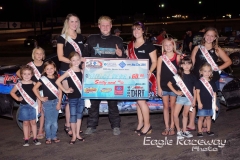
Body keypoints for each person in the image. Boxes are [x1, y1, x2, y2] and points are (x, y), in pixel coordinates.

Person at [83, 15, 126, 136]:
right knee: (94, 104)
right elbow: (84, 58)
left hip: (112, 78)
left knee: (113, 104)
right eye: (103, 25)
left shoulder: (118, 40)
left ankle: (116, 126)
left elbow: (123, 62)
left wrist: (120, 55)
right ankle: (91, 126)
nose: (106, 27)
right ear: (99, 26)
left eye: (108, 25)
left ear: (111, 26)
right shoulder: (91, 39)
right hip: (94, 77)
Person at [189, 26, 232, 131]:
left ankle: (204, 123)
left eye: (212, 36)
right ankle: (193, 122)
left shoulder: (217, 49)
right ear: (204, 36)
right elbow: (192, 64)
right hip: (198, 79)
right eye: (207, 35)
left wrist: (217, 68)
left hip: (212, 79)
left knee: (209, 99)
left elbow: (229, 61)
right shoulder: (197, 48)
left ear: (215, 38)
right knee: (196, 99)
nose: (209, 37)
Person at [126, 21, 157, 136]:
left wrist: (149, 71)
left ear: (143, 31)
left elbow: (154, 62)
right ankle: (140, 124)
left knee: (141, 101)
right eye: (134, 29)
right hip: (133, 78)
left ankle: (148, 125)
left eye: (138, 29)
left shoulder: (148, 45)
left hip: (144, 78)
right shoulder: (130, 45)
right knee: (138, 102)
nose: (136, 31)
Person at [57, 13, 85, 137]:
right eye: (72, 21)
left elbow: (81, 55)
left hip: (78, 71)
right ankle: (68, 124)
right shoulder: (62, 38)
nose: (74, 24)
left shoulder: (80, 37)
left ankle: (74, 126)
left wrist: (81, 63)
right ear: (67, 23)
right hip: (66, 71)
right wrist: (73, 63)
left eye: (76, 21)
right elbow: (60, 57)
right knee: (70, 98)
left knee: (76, 98)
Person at [16, 47, 45, 140]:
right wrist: (25, 80)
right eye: (37, 53)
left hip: (43, 90)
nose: (39, 55)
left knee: (41, 110)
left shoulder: (45, 65)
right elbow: (18, 72)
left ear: (43, 55)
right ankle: (32, 130)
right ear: (33, 55)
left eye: (41, 53)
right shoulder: (29, 65)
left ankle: (40, 130)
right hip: (33, 91)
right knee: (33, 110)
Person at [56, 51, 84, 144]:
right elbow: (58, 81)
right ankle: (74, 136)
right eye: (73, 60)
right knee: (73, 116)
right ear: (70, 61)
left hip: (81, 97)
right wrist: (65, 90)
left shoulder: (82, 71)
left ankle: (78, 134)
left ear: (80, 60)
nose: (76, 62)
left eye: (77, 60)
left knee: (79, 116)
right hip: (72, 97)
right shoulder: (69, 72)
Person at [10, 65, 41, 146]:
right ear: (21, 75)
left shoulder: (34, 83)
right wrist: (17, 98)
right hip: (24, 106)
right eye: (24, 74)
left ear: (32, 75)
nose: (26, 76)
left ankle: (35, 138)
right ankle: (26, 139)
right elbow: (12, 92)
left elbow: (38, 96)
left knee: (33, 122)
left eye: (28, 74)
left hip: (33, 106)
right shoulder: (19, 84)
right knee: (26, 123)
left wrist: (39, 106)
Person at [167, 55, 197, 139]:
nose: (187, 66)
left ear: (191, 65)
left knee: (185, 115)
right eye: (184, 64)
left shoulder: (193, 76)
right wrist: (176, 91)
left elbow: (195, 89)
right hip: (180, 98)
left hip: (189, 99)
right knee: (175, 114)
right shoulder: (178, 76)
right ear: (181, 65)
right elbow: (169, 84)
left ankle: (184, 131)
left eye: (188, 64)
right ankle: (179, 131)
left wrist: (194, 100)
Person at [32, 61, 62, 144]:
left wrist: (59, 103)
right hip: (47, 103)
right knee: (48, 121)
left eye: (51, 68)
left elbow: (60, 91)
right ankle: (48, 137)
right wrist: (40, 98)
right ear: (44, 70)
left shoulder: (57, 79)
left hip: (56, 102)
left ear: (55, 69)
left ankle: (54, 136)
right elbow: (34, 89)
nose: (49, 70)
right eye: (47, 69)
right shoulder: (42, 79)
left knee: (55, 122)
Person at [156, 37, 180, 136]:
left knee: (173, 106)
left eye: (170, 45)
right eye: (166, 45)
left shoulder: (178, 57)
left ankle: (172, 126)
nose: (168, 47)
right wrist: (159, 87)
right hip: (164, 86)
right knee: (166, 106)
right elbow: (158, 74)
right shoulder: (161, 58)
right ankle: (166, 126)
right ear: (163, 47)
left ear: (173, 45)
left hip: (174, 86)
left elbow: (181, 73)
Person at [195, 62, 218, 137]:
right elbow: (197, 93)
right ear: (201, 72)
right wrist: (199, 103)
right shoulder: (199, 82)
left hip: (210, 103)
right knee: (201, 118)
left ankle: (208, 130)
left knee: (208, 117)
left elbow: (214, 93)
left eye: (209, 71)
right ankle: (199, 131)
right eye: (205, 71)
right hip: (202, 103)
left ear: (211, 72)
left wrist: (215, 104)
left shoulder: (212, 82)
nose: (207, 73)